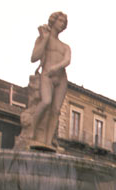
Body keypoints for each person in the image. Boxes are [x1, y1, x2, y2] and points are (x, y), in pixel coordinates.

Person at [25, 11, 71, 147]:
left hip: (61, 78)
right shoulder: (43, 38)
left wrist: (56, 67)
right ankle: (31, 131)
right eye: (60, 21)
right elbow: (34, 57)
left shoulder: (65, 46)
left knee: (56, 110)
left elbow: (67, 60)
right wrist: (44, 38)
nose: (62, 24)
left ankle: (48, 141)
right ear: (53, 21)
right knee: (46, 101)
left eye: (64, 22)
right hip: (47, 75)